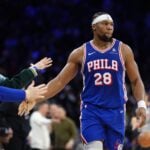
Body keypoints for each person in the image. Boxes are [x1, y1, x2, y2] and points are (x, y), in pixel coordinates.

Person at [19, 12, 147, 150]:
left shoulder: (124, 50)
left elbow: (135, 80)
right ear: (94, 27)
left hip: (116, 111)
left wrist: (141, 104)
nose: (109, 27)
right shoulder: (80, 53)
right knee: (94, 148)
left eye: (111, 24)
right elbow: (60, 81)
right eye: (105, 24)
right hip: (91, 111)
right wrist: (34, 98)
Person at [0, 57, 52, 150]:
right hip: (14, 137)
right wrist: (25, 94)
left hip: (22, 137)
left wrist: (33, 69)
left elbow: (10, 85)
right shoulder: (9, 104)